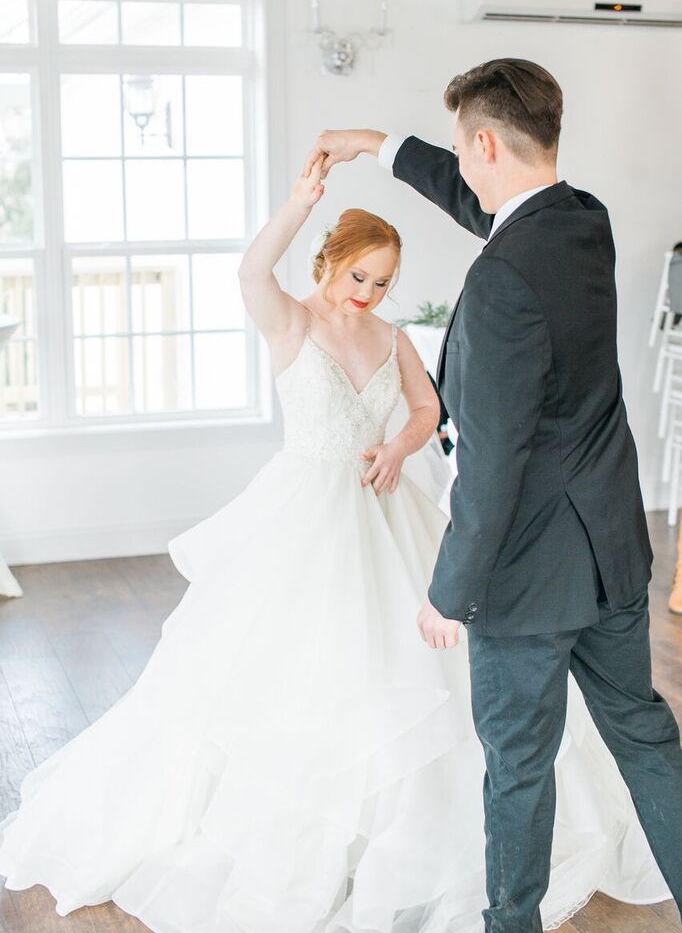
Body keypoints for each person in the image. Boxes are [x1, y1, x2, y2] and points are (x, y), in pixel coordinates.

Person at [0, 154, 673, 933]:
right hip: (304, 516)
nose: (370, 294)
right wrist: (297, 202)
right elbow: (252, 272)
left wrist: (397, 448)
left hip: (383, 515)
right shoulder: (293, 321)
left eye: (384, 281)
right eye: (360, 276)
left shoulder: (390, 338)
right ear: (331, 263)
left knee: (417, 677)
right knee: (293, 673)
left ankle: (422, 844)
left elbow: (429, 413)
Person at [305, 56, 682, 933]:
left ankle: (508, 924)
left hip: (526, 578)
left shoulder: (506, 280)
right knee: (645, 737)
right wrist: (380, 146)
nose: (459, 165)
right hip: (614, 553)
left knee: (517, 763)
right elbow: (489, 206)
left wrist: (450, 590)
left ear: (482, 143)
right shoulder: (583, 222)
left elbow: (498, 458)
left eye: (457, 148)